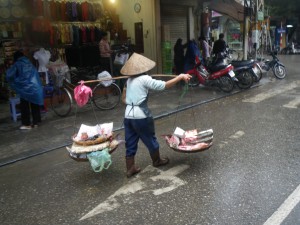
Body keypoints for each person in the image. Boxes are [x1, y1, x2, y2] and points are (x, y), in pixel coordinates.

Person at [120, 53, 192, 178]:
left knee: (130, 141)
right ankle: (157, 160)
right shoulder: (144, 79)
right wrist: (180, 76)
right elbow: (163, 86)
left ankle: (130, 168)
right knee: (150, 138)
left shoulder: (129, 80)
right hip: (141, 116)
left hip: (128, 116)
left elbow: (124, 100)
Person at [6, 51, 44, 130]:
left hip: (25, 89)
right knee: (35, 104)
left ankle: (26, 124)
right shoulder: (30, 63)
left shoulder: (17, 64)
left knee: (24, 106)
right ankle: (36, 122)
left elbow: (10, 75)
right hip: (35, 87)